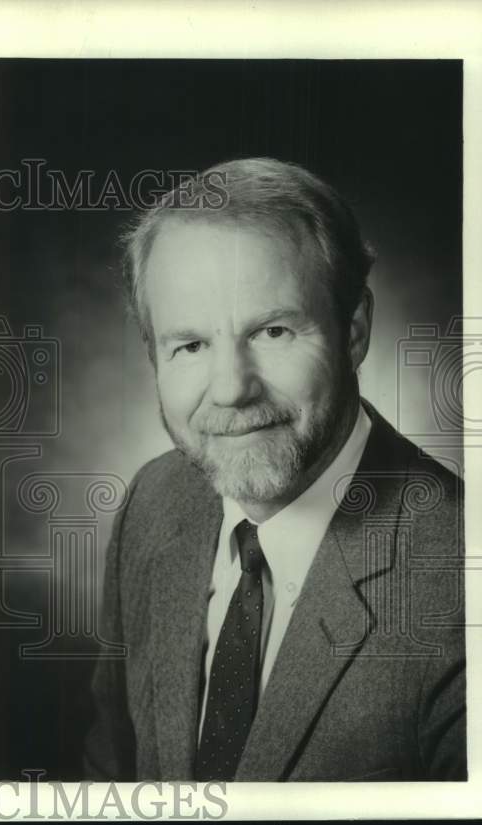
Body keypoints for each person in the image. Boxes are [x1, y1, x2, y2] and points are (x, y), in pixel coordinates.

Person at [84, 157, 465, 781]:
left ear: (355, 331)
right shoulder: (153, 501)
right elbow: (110, 774)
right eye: (190, 345)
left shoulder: (458, 579)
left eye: (274, 331)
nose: (232, 389)